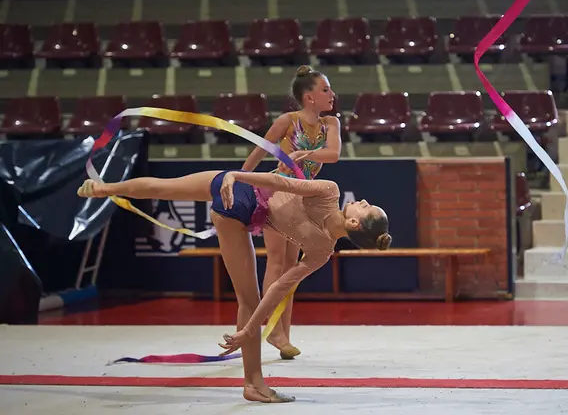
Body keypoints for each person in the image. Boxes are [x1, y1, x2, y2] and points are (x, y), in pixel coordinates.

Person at [76, 170, 391, 403]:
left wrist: (249, 330)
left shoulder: (323, 241)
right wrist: (236, 176)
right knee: (247, 299)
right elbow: (280, 181)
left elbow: (279, 289)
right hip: (237, 190)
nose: (363, 201)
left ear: (354, 224)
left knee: (165, 186)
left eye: (366, 207)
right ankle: (253, 384)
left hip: (236, 200)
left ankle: (104, 188)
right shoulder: (326, 201)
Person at [240, 65, 341, 360]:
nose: (332, 94)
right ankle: (274, 330)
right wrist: (238, 179)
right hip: (278, 193)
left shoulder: (331, 124)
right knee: (276, 261)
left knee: (291, 268)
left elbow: (333, 154)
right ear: (309, 97)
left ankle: (283, 331)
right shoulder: (288, 121)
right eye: (325, 90)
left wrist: (301, 153)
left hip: (303, 197)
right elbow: (259, 151)